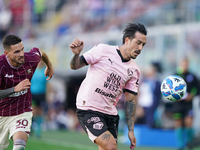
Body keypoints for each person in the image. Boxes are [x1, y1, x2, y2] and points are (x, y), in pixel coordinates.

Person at [70, 23, 147, 150]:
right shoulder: (103, 50)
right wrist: (76, 55)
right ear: (127, 40)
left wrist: (131, 130)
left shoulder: (135, 70)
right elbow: (75, 66)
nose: (140, 48)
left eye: (143, 44)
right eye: (138, 43)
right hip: (89, 108)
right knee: (111, 146)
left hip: (110, 114)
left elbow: (130, 100)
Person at [0, 35, 54, 150]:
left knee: (19, 146)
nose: (21, 54)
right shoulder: (1, 66)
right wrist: (14, 89)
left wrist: (49, 66)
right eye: (16, 52)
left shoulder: (30, 59)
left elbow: (40, 52)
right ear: (6, 53)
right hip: (1, 113)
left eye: (22, 49)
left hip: (21, 111)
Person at [172, 57, 199, 150]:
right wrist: (175, 96)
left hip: (188, 104)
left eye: (186, 64)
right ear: (180, 64)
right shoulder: (175, 75)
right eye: (183, 64)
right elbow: (168, 90)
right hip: (178, 105)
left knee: (189, 122)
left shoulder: (192, 76)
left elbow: (197, 89)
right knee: (178, 123)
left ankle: (189, 143)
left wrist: (191, 95)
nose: (185, 66)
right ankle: (180, 145)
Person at [31, 61, 48, 138]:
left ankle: (38, 131)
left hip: (41, 94)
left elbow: (47, 84)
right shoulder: (32, 70)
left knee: (40, 113)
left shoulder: (45, 71)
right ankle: (31, 128)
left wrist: (48, 96)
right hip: (33, 94)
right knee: (33, 111)